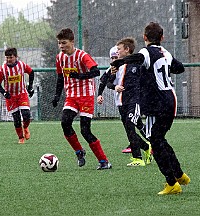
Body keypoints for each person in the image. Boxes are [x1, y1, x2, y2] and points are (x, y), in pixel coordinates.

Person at [111, 22, 190, 194]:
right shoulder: (165, 52)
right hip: (171, 100)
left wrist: (120, 61)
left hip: (157, 103)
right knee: (159, 139)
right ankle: (179, 175)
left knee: (155, 140)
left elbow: (138, 58)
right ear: (162, 38)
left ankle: (172, 183)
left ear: (144, 37)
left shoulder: (146, 52)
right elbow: (180, 68)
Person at [52, 28, 112, 170]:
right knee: (65, 123)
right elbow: (61, 78)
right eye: (59, 43)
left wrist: (79, 76)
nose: (61, 46)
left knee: (85, 131)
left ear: (72, 42)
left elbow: (95, 71)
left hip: (86, 96)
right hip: (71, 96)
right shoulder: (60, 57)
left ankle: (104, 161)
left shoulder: (82, 56)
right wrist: (57, 95)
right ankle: (79, 152)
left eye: (64, 43)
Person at [107, 37, 152, 166]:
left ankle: (138, 158)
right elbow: (109, 81)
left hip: (134, 101)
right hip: (122, 102)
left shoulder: (138, 64)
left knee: (131, 125)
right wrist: (113, 78)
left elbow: (146, 80)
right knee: (129, 129)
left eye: (119, 49)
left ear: (127, 50)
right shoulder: (118, 65)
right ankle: (146, 147)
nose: (117, 51)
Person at [0, 47, 34, 144]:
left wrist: (30, 87)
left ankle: (25, 127)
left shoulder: (21, 65)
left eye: (10, 57)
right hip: (11, 97)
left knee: (26, 115)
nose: (8, 59)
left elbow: (31, 72)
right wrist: (4, 93)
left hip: (22, 94)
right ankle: (21, 138)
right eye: (7, 57)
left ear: (16, 57)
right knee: (16, 119)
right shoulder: (3, 69)